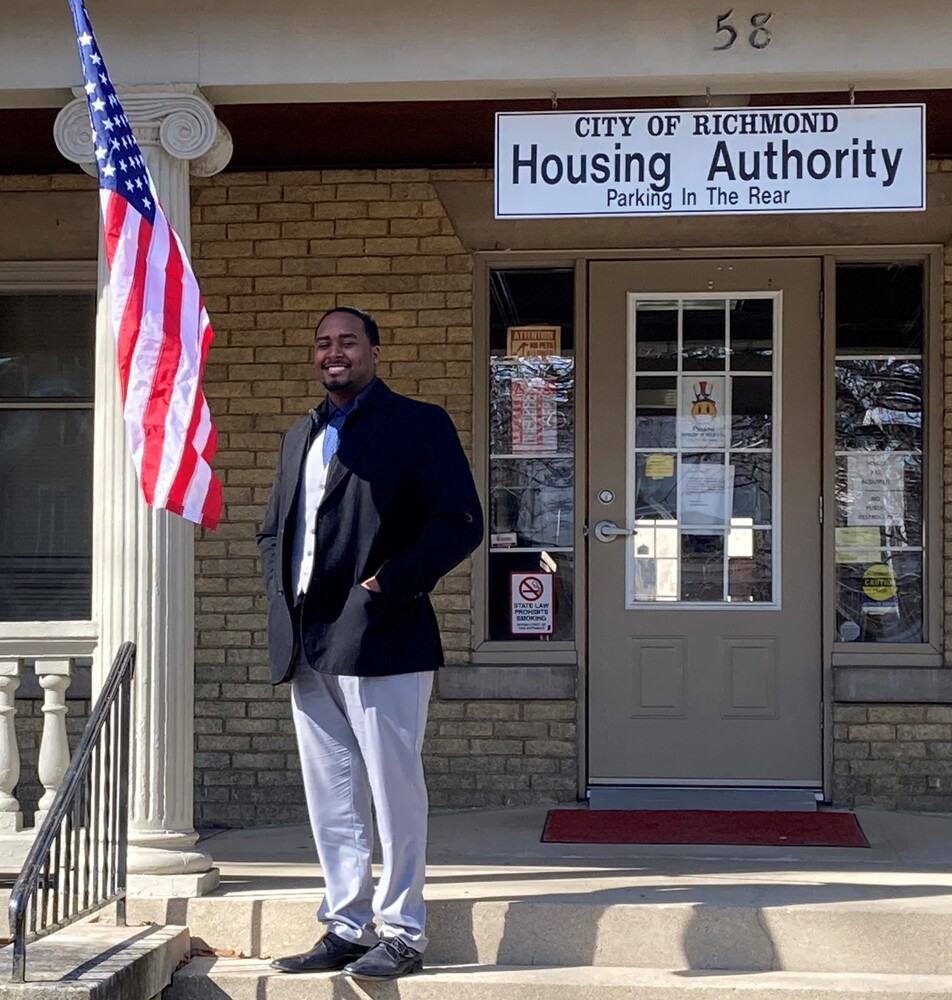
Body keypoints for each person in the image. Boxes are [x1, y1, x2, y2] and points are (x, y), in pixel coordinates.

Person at [256, 306, 483, 981]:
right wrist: (277, 592)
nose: (334, 353)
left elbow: (459, 522)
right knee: (332, 794)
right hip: (306, 639)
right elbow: (275, 529)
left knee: (392, 789)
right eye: (323, 343)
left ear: (374, 351)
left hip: (384, 633)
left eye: (347, 341)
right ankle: (348, 926)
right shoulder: (301, 434)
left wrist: (390, 583)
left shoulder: (419, 424)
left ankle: (404, 932)